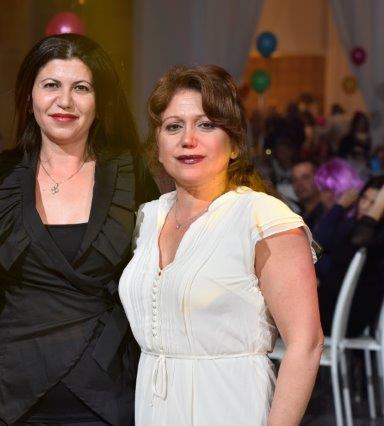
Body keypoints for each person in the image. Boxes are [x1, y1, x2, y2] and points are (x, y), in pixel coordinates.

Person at [119, 65, 323, 425]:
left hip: (231, 406)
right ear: (158, 146)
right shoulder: (147, 217)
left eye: (206, 125)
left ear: (235, 144)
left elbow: (305, 344)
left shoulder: (262, 218)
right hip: (153, 408)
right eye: (173, 126)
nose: (188, 139)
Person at [0, 34, 158, 425]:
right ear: (29, 97)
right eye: (51, 85)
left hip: (107, 387)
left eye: (81, 88)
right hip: (13, 389)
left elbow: (152, 268)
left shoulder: (130, 174)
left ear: (100, 101)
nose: (65, 101)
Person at [314, 175, 384, 335]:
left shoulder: (373, 237)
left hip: (345, 318)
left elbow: (321, 258)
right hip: (333, 310)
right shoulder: (352, 227)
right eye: (364, 198)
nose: (365, 206)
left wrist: (339, 208)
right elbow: (317, 245)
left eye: (374, 203)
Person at [292, 160, 325, 229]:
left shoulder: (328, 214)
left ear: (318, 179)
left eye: (305, 178)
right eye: (295, 180)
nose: (299, 184)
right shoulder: (297, 219)